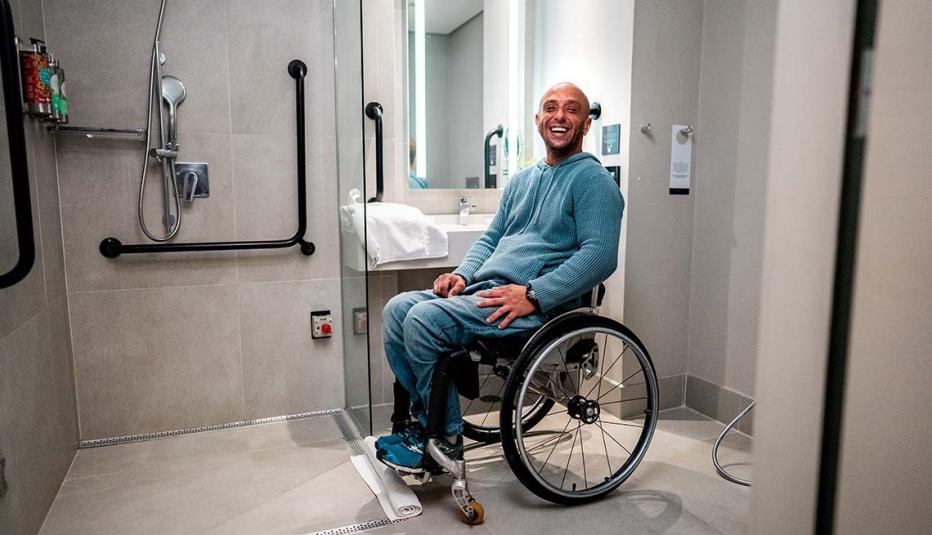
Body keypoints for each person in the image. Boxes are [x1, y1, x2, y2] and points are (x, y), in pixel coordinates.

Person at [376, 82, 623, 472]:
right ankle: (423, 425)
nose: (560, 116)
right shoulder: (523, 181)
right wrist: (461, 275)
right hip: (488, 291)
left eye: (572, 110)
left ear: (585, 124)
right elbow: (491, 238)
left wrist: (535, 294)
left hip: (540, 306)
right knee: (396, 309)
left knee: (424, 320)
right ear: (538, 120)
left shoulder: (594, 183)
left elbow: (600, 256)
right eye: (551, 108)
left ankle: (444, 438)